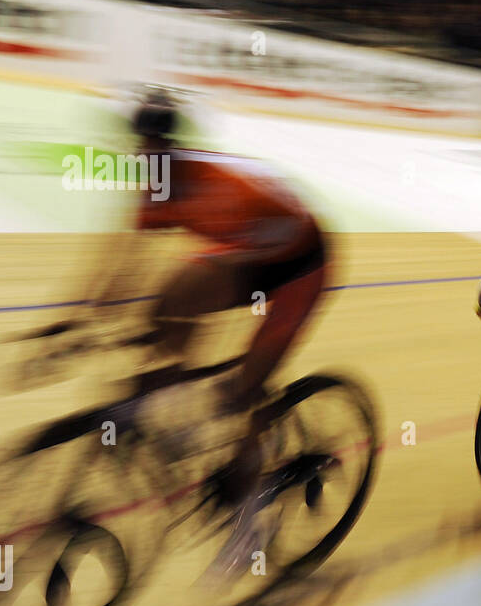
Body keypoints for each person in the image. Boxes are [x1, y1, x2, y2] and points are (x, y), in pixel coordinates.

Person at [91, 88, 329, 577]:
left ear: (170, 147)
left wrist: (166, 362)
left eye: (152, 146)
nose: (144, 155)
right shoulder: (160, 180)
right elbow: (125, 262)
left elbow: (209, 287)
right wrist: (77, 322)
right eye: (140, 145)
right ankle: (181, 417)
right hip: (251, 254)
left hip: (297, 269)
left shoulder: (220, 190)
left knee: (238, 392)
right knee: (169, 310)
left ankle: (251, 521)